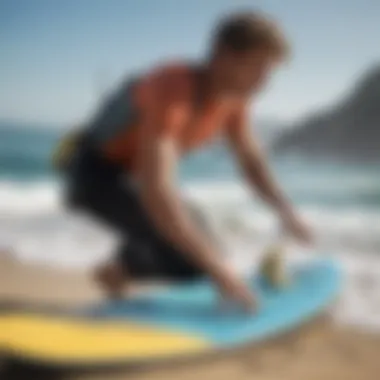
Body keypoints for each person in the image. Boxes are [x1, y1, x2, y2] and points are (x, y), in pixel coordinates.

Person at [61, 11, 311, 312]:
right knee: (198, 261)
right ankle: (124, 272)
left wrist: (285, 211)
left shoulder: (233, 100)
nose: (265, 81)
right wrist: (219, 273)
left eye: (269, 70)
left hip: (132, 179)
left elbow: (251, 161)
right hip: (94, 178)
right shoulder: (173, 88)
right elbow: (158, 190)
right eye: (257, 67)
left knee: (210, 248)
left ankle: (118, 270)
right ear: (223, 55)